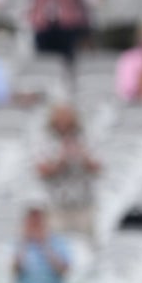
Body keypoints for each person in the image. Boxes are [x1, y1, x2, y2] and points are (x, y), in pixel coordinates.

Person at [35, 101, 101, 240]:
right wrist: (60, 161)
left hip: (83, 203)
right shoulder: (45, 139)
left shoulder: (86, 137)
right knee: (59, 245)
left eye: (67, 116)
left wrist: (83, 157)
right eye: (60, 116)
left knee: (88, 244)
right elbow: (41, 170)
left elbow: (98, 167)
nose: (63, 120)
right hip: (57, 205)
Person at [6, 201, 73, 283]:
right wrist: (24, 244)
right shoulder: (19, 243)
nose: (35, 224)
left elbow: (65, 270)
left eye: (38, 221)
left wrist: (45, 246)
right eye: (32, 221)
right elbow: (14, 271)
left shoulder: (58, 242)